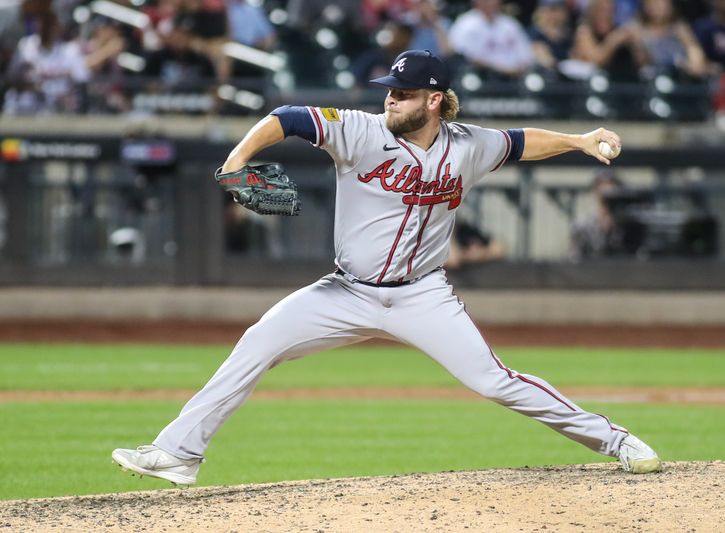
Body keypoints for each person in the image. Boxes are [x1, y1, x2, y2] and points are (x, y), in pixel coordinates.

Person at [111, 49, 661, 486]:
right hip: (344, 291)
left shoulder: (469, 146)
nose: (391, 101)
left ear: (436, 100)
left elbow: (521, 142)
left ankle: (617, 441)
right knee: (258, 342)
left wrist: (579, 141)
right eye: (390, 92)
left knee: (494, 381)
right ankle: (179, 454)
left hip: (423, 296)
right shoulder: (359, 129)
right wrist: (236, 161)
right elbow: (285, 118)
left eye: (403, 94)